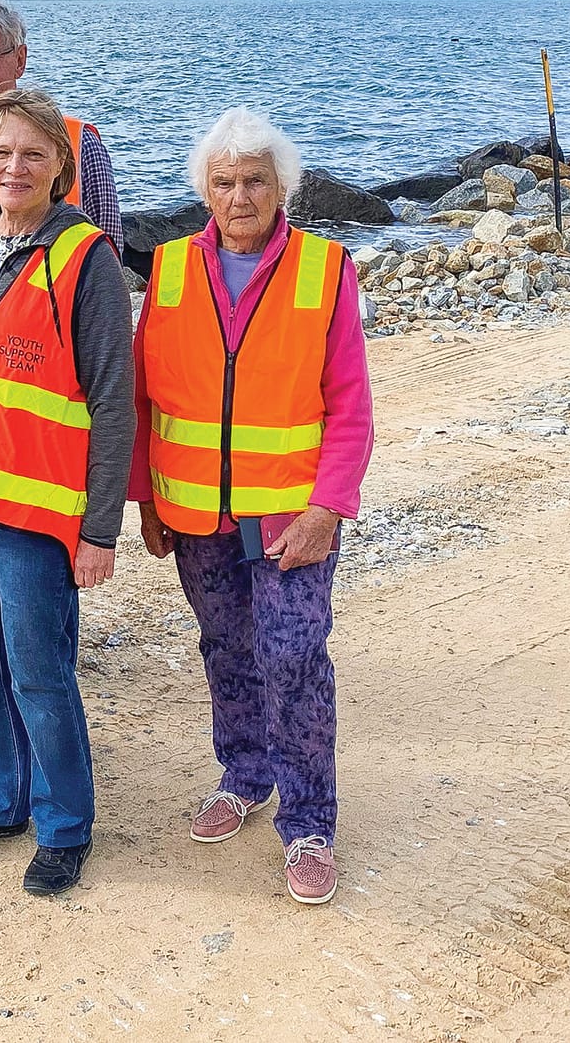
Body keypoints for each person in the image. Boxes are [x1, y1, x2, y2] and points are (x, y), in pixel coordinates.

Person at [130, 106, 374, 906]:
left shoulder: (324, 268)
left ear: (282, 189)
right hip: (195, 511)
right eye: (225, 181)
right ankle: (243, 774)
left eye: (256, 181)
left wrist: (328, 508)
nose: (240, 196)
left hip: (292, 516)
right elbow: (142, 395)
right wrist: (146, 499)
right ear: (205, 190)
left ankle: (309, 823)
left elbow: (351, 405)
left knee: (293, 656)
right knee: (226, 649)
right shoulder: (168, 268)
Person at [0, 89, 135, 897]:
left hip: (38, 509)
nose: (16, 167)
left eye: (34, 154)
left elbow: (114, 402)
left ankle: (64, 824)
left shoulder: (84, 258)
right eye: (2, 152)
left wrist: (99, 530)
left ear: (60, 168)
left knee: (40, 670)